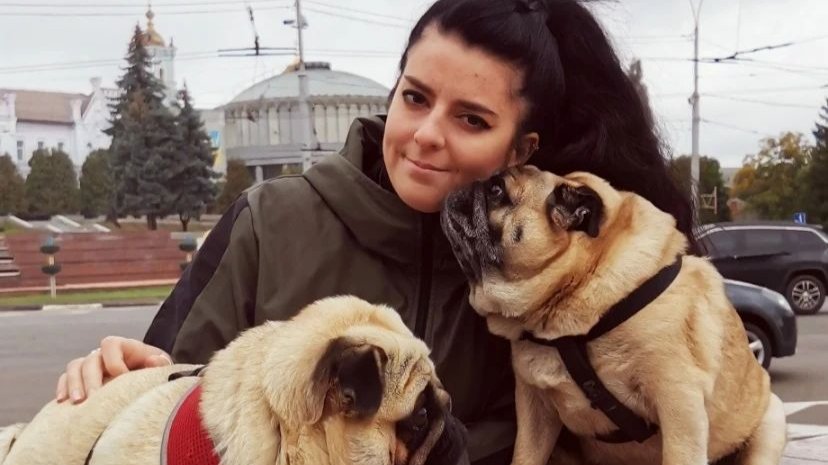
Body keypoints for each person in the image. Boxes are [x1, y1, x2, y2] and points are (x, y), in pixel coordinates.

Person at [54, 0, 698, 463]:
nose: (426, 134)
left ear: (519, 150)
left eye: (471, 120)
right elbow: (172, 404)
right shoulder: (268, 223)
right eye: (415, 97)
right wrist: (123, 376)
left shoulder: (555, 281)